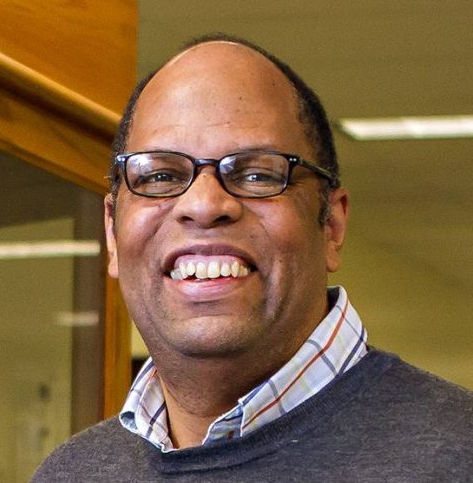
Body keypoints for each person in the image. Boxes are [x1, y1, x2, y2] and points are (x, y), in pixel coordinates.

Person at [32, 34, 472, 482]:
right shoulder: (72, 474)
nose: (204, 205)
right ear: (112, 230)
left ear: (332, 225)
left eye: (258, 174)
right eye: (161, 175)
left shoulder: (459, 455)